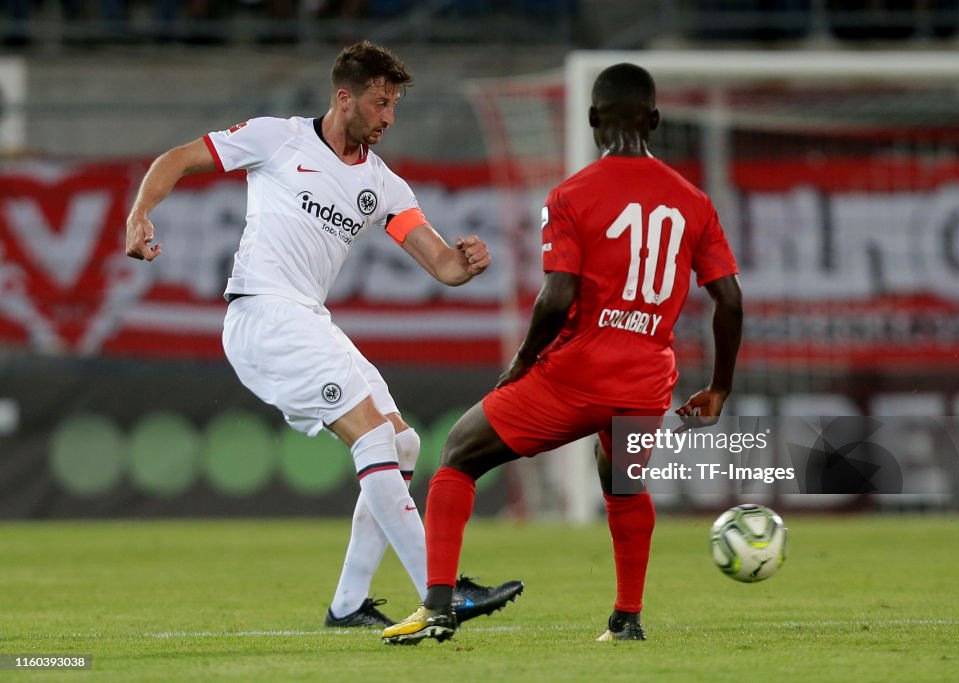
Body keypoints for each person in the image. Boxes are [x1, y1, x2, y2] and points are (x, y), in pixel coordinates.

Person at [125, 41, 523, 629]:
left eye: (394, 106)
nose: (389, 117)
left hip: (308, 319)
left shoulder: (383, 185)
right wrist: (140, 214)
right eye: (380, 103)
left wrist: (466, 261)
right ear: (345, 97)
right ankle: (443, 592)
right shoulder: (275, 137)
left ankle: (347, 604)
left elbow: (441, 264)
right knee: (369, 434)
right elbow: (179, 158)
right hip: (262, 313)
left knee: (402, 443)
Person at [383, 62, 742, 644]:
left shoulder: (571, 195)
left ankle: (439, 605)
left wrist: (524, 361)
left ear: (593, 118)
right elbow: (729, 300)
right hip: (647, 382)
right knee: (622, 483)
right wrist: (720, 386)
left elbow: (558, 295)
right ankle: (627, 619)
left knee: (458, 453)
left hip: (576, 376)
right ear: (654, 119)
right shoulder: (694, 202)